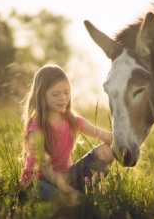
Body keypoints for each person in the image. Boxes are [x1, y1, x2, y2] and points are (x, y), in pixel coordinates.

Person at [19, 64, 114, 202]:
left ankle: (84, 195)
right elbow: (47, 172)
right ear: (42, 95)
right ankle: (76, 199)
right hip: (38, 182)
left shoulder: (73, 121)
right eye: (55, 94)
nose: (63, 98)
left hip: (65, 178)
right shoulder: (36, 128)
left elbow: (107, 137)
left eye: (66, 92)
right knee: (62, 201)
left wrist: (129, 139)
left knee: (107, 150)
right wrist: (71, 193)